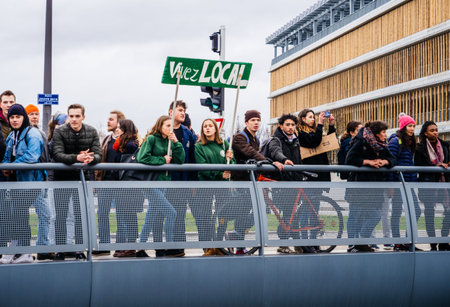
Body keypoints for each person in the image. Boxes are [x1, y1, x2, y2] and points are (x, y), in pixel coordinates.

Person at [52, 104, 102, 260]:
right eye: (71, 116)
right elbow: (57, 154)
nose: (74, 119)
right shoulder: (59, 131)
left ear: (83, 117)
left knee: (81, 216)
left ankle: (80, 249)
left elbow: (98, 154)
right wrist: (77, 158)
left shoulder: (92, 131)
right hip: (62, 179)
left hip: (82, 178)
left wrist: (90, 158)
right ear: (68, 116)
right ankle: (60, 249)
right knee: (60, 215)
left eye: (77, 116)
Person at [231, 110, 283, 253]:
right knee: (243, 211)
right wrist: (269, 162)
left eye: (258, 120)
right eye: (252, 120)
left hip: (251, 179)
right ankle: (238, 242)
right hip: (241, 181)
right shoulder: (240, 137)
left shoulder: (256, 139)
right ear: (246, 122)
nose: (256, 123)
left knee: (258, 209)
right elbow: (250, 152)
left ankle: (237, 236)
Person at [1, 104, 45, 264]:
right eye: (12, 117)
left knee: (20, 214)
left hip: (30, 181)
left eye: (18, 117)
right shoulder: (11, 136)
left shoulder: (32, 133)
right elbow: (7, 154)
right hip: (15, 181)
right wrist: (6, 166)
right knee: (16, 217)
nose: (14, 120)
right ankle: (16, 252)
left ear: (23, 118)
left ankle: (23, 252)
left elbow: (32, 156)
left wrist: (12, 166)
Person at [136, 115, 185, 258]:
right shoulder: (152, 139)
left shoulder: (170, 141)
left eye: (171, 126)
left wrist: (176, 143)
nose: (169, 129)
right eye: (166, 126)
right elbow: (142, 158)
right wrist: (162, 160)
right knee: (171, 213)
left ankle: (140, 247)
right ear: (160, 126)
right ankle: (168, 246)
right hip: (151, 183)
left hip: (164, 182)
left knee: (150, 217)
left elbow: (180, 160)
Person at [154, 101, 196, 258]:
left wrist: (192, 182)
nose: (183, 113)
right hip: (163, 181)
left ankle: (177, 247)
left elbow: (193, 157)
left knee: (179, 215)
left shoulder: (187, 133)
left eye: (184, 110)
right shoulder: (160, 131)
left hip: (181, 182)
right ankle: (159, 247)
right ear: (170, 112)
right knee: (159, 215)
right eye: (179, 110)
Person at [345, 121, 395, 252]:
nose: (385, 135)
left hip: (374, 188)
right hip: (358, 186)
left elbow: (393, 159)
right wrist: (369, 162)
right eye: (383, 132)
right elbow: (349, 159)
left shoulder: (383, 145)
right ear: (376, 134)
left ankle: (361, 241)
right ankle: (352, 245)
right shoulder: (361, 141)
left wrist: (384, 161)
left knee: (375, 215)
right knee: (355, 216)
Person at [297, 109, 336, 253]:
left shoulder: (316, 131)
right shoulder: (300, 133)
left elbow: (330, 142)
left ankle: (313, 240)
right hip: (308, 175)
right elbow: (314, 142)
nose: (313, 119)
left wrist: (331, 125)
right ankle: (305, 241)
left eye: (314, 117)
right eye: (310, 117)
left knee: (315, 210)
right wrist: (320, 124)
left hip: (319, 175)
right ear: (302, 119)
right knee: (307, 209)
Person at [266, 114, 305, 254]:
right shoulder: (276, 139)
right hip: (282, 182)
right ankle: (285, 244)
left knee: (292, 214)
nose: (290, 128)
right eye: (287, 125)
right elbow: (275, 151)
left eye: (293, 125)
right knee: (288, 214)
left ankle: (296, 244)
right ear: (281, 126)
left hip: (295, 180)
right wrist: (284, 160)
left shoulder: (297, 140)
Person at [194, 119, 233, 256]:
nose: (207, 128)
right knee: (206, 216)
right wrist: (218, 174)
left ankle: (219, 245)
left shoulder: (224, 144)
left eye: (210, 126)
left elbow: (231, 164)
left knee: (223, 215)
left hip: (222, 186)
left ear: (216, 128)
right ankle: (208, 247)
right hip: (206, 185)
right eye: (205, 126)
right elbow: (202, 167)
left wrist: (231, 160)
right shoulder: (199, 146)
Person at [387, 113, 422, 251]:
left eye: (413, 126)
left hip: (408, 184)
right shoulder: (396, 141)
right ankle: (397, 242)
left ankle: (408, 241)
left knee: (416, 211)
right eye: (409, 126)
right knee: (396, 212)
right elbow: (390, 164)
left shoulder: (410, 142)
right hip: (398, 184)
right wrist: (391, 186)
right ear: (403, 127)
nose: (412, 128)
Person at [414, 121, 450, 251]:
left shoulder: (445, 145)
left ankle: (444, 241)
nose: (435, 132)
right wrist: (435, 166)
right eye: (432, 130)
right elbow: (418, 166)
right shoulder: (420, 148)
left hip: (444, 183)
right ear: (425, 133)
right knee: (430, 214)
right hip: (428, 184)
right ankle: (433, 243)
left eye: (436, 130)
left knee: (449, 213)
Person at [23, 104, 53, 260]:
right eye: (31, 114)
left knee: (44, 215)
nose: (34, 116)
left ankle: (42, 247)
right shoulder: (26, 133)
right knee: (41, 214)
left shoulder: (40, 132)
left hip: (41, 179)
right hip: (31, 180)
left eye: (36, 114)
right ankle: (38, 247)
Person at [95, 110, 126, 256]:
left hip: (121, 183)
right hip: (105, 183)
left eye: (111, 119)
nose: (108, 122)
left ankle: (120, 245)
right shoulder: (107, 139)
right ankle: (104, 245)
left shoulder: (127, 140)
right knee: (102, 213)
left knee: (121, 215)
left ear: (119, 122)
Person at [111, 119, 140, 257]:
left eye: (119, 128)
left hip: (128, 184)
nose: (117, 130)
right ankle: (126, 246)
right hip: (123, 183)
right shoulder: (122, 143)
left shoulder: (131, 145)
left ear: (124, 129)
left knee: (129, 215)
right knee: (125, 214)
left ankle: (131, 246)